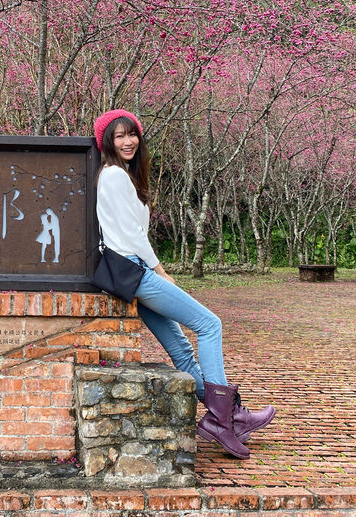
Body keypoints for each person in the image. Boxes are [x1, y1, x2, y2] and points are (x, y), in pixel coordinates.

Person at [93, 108, 275, 459]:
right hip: (134, 270)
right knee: (209, 324)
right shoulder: (114, 175)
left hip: (129, 270)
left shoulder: (122, 175)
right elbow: (131, 234)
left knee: (181, 352)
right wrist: (159, 270)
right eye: (119, 136)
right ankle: (222, 421)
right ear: (107, 141)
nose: (128, 141)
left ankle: (233, 416)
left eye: (133, 134)